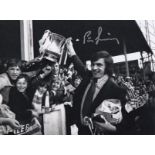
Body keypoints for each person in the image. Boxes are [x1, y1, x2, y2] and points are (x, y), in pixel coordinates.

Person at [66, 40, 129, 135]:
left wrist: (111, 128)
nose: (94, 68)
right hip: (81, 131)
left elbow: (125, 124)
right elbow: (79, 66)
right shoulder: (89, 77)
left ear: (107, 67)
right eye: (93, 64)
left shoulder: (116, 90)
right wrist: (71, 48)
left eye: (99, 65)